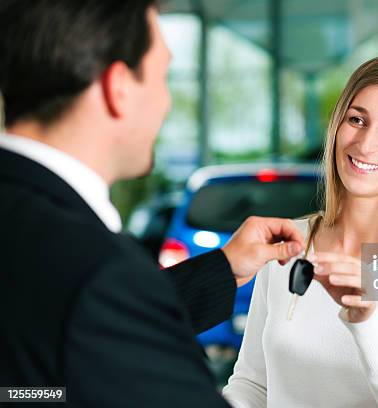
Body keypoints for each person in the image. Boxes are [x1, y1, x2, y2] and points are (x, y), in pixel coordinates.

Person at [0, 1, 304, 406]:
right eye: (163, 77)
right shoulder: (98, 271)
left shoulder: (33, 225)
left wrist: (223, 267)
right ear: (118, 88)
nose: (166, 102)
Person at [222, 53, 378, 408]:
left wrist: (366, 320)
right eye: (357, 120)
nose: (365, 143)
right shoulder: (287, 244)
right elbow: (252, 384)